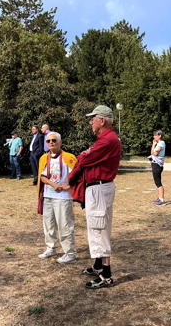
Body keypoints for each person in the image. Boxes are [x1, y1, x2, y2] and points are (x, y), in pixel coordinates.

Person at [70, 105, 122, 289]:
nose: (91, 122)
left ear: (102, 120)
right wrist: (86, 154)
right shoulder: (106, 139)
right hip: (97, 188)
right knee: (96, 227)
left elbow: (83, 160)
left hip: (99, 188)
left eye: (93, 118)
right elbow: (85, 157)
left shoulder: (107, 140)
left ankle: (106, 275)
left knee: (99, 229)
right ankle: (98, 265)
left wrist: (85, 154)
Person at [37, 131, 77, 263]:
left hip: (63, 197)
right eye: (48, 141)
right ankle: (50, 248)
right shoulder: (44, 158)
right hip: (48, 195)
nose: (51, 143)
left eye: (54, 140)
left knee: (65, 225)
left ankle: (69, 252)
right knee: (48, 224)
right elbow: (42, 177)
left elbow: (78, 175)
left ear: (60, 142)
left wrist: (67, 187)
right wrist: (53, 184)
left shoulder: (68, 157)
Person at [151, 130, 166, 205]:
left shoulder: (161, 143)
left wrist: (154, 151)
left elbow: (155, 153)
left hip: (157, 165)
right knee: (157, 183)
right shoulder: (158, 143)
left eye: (155, 135)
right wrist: (153, 144)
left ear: (159, 136)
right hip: (155, 164)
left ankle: (161, 200)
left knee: (158, 183)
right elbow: (152, 153)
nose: (154, 136)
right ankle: (159, 198)